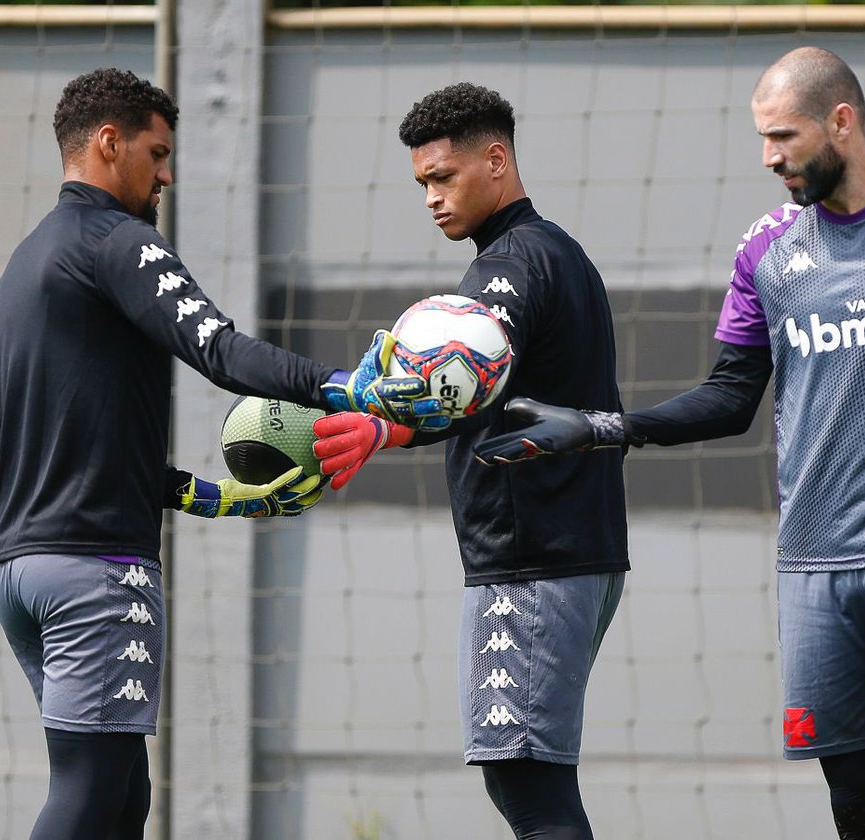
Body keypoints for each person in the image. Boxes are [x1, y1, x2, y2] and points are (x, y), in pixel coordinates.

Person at [472, 47, 865, 839]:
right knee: (853, 802)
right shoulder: (765, 249)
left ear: (840, 122)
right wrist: (603, 428)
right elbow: (728, 397)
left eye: (782, 136)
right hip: (809, 562)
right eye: (762, 138)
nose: (768, 157)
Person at [0, 67, 420, 840]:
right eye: (156, 154)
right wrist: (344, 387)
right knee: (90, 795)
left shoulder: (28, 261)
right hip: (94, 568)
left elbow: (79, 442)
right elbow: (219, 348)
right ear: (109, 142)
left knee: (123, 796)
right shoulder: (119, 242)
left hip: (21, 568)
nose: (167, 175)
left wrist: (211, 496)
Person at [315, 82, 629, 839]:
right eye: (421, 184)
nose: (431, 198)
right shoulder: (556, 251)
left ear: (496, 161)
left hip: (533, 557)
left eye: (442, 177)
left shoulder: (506, 268)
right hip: (566, 552)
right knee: (529, 780)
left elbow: (458, 384)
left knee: (527, 786)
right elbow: (477, 396)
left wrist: (377, 416)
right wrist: (389, 430)